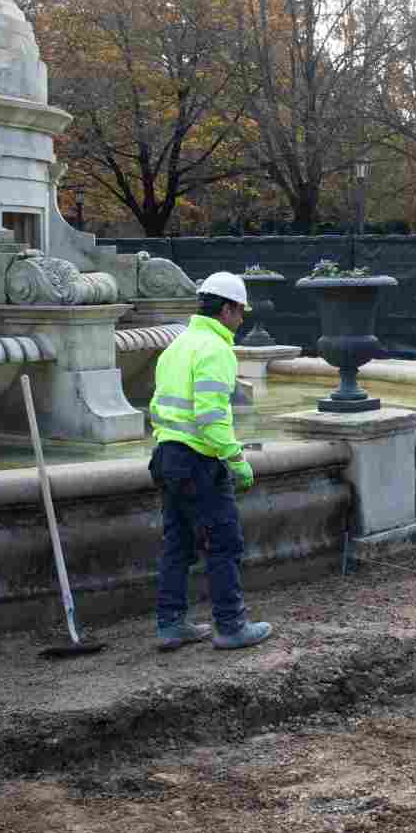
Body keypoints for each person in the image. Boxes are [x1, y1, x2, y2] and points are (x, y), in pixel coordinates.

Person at [147, 272, 273, 651]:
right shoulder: (216, 349)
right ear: (227, 309)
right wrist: (236, 459)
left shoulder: (177, 345)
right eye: (240, 311)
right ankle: (231, 626)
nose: (242, 319)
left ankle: (170, 625)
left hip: (167, 456)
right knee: (224, 542)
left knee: (177, 544)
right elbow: (210, 417)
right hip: (198, 460)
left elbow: (158, 407)